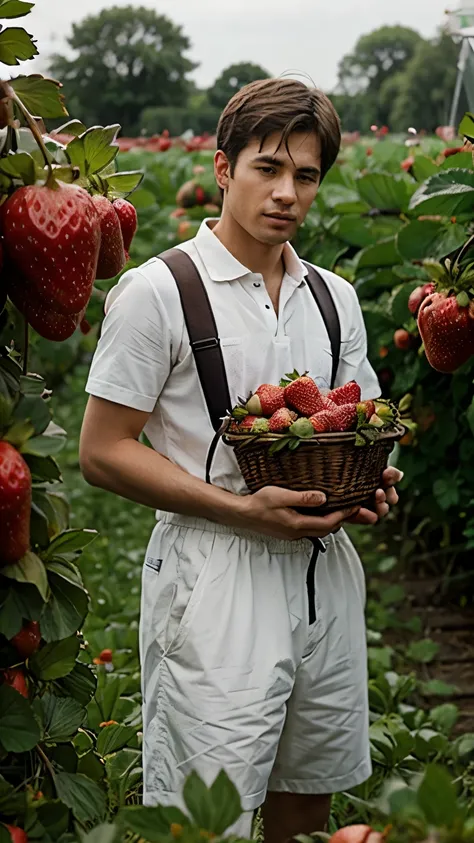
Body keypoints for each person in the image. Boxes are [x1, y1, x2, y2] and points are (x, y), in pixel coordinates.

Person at [79, 77, 402, 843]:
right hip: (216, 573)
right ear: (224, 168)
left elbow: (359, 429)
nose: (287, 192)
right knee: (206, 817)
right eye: (268, 168)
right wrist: (237, 507)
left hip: (325, 570)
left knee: (307, 793)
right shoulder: (158, 291)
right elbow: (102, 449)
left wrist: (372, 485)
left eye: (307, 174)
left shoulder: (335, 298)